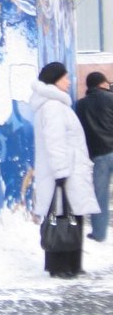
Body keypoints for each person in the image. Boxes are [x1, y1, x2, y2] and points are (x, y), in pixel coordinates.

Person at [30, 61, 99, 278]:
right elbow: (55, 142)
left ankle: (71, 264)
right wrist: (61, 174)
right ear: (54, 80)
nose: (69, 81)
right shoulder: (52, 107)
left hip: (68, 171)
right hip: (63, 174)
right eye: (65, 77)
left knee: (70, 217)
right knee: (63, 218)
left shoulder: (56, 105)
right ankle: (61, 266)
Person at [74, 70, 113, 242]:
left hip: (98, 154)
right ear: (102, 83)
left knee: (100, 195)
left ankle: (99, 233)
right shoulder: (111, 98)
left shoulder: (80, 105)